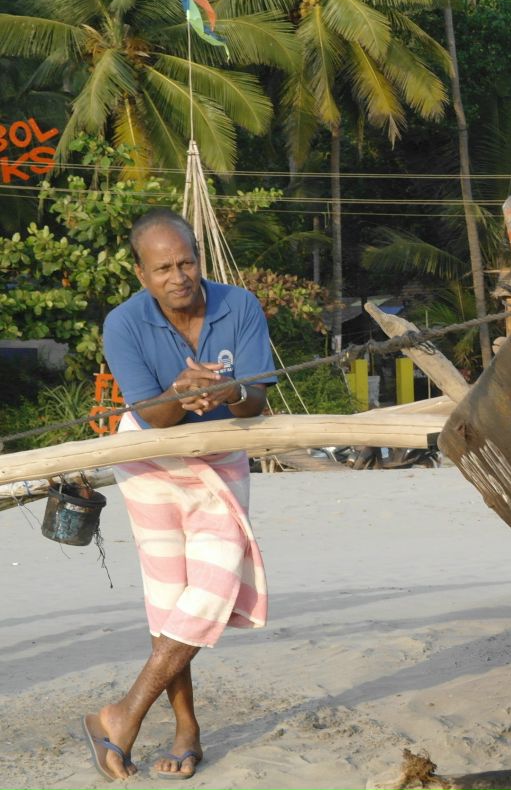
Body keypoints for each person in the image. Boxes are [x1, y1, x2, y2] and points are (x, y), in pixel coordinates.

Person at [83, 208, 276, 781]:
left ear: (200, 259)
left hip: (221, 457)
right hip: (149, 462)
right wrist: (178, 391)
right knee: (168, 599)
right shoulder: (123, 323)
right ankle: (186, 729)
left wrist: (227, 387)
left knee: (215, 582)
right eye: (163, 267)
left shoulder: (238, 305)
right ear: (142, 274)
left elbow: (256, 401)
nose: (178, 276)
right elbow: (153, 417)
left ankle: (121, 716)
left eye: (186, 262)